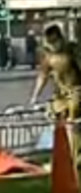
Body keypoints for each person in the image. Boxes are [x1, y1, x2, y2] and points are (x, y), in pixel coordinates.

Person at [29, 24, 81, 167]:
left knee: (73, 125)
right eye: (49, 42)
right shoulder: (47, 56)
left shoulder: (71, 50)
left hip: (76, 91)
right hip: (60, 95)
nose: (52, 45)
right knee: (59, 126)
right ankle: (63, 158)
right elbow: (43, 76)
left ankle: (74, 158)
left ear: (60, 38)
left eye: (54, 41)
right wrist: (35, 96)